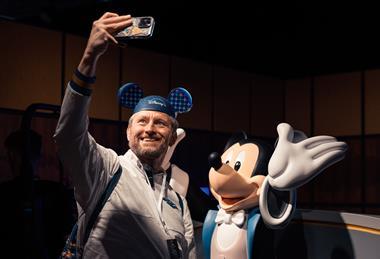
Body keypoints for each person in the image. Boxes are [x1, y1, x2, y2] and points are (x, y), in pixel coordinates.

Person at [54, 12, 196, 258]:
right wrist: (89, 58)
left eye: (161, 123)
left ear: (173, 138)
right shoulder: (106, 169)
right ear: (129, 132)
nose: (150, 128)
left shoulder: (178, 201)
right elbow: (68, 135)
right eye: (142, 121)